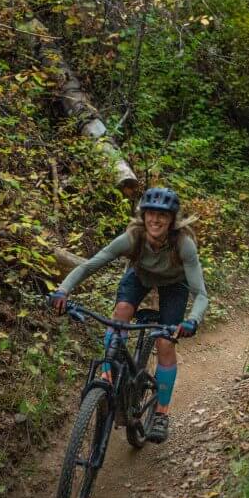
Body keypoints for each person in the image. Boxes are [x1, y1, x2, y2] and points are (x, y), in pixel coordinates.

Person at [51, 186, 208, 443]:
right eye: (150, 214)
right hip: (139, 276)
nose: (155, 220)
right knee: (121, 311)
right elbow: (91, 264)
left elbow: (200, 293)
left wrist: (192, 320)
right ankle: (108, 369)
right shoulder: (132, 238)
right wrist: (63, 290)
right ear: (143, 215)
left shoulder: (183, 244)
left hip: (174, 285)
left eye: (163, 215)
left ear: (172, 220)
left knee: (165, 342)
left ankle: (160, 413)